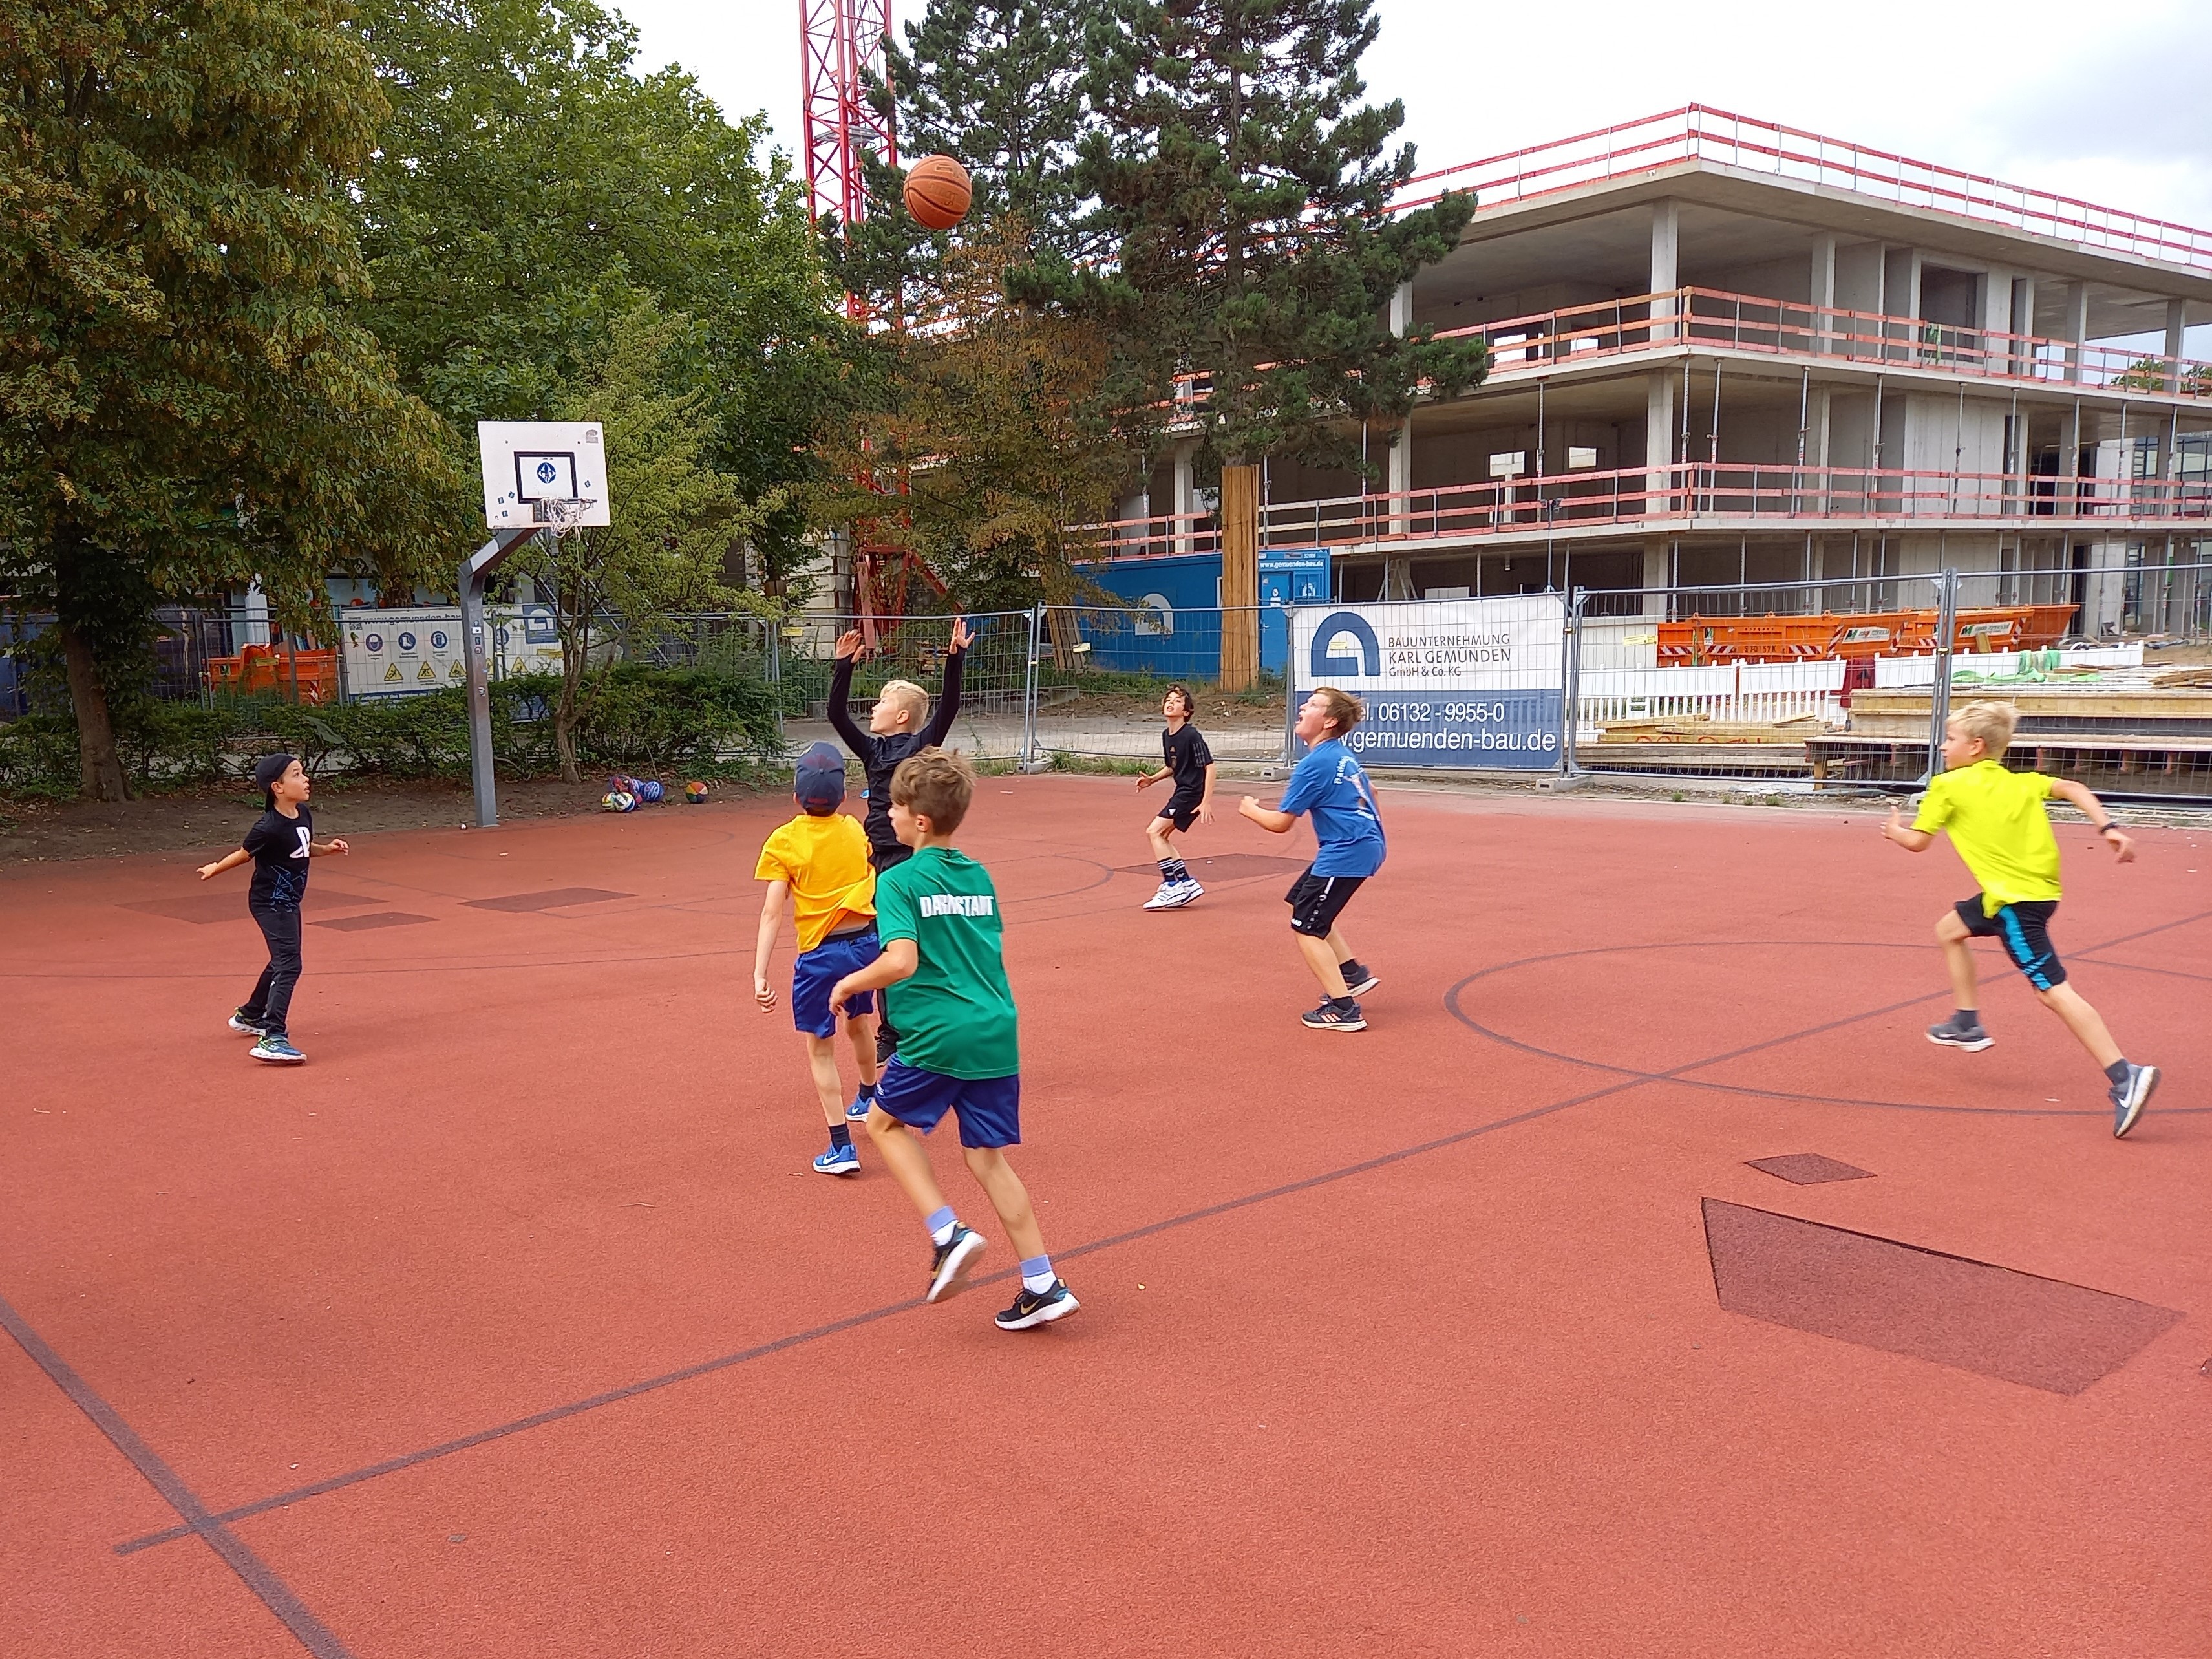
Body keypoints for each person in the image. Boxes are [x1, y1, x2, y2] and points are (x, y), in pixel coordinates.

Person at [828, 748, 1079, 1331]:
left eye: (895, 805)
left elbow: (902, 961)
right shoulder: (979, 874)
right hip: (996, 1028)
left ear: (919, 820)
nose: (887, 813)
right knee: (985, 1157)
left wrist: (850, 982)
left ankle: (947, 1234)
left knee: (884, 1124)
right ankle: (1042, 1282)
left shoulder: (897, 882)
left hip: (942, 1032)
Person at [1882, 700, 2158, 1137]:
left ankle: (2126, 1075)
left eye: (1950, 739)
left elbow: (1918, 842)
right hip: (2033, 894)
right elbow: (2074, 788)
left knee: (2052, 992)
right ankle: (1967, 1022)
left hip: (2015, 905)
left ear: (1974, 746)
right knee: (1949, 930)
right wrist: (2108, 828)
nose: (1942, 746)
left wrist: (1895, 832)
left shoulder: (1948, 786)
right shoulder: (2023, 782)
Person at [826, 617, 973, 1062]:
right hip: (881, 862)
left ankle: (940, 1018)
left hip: (916, 860)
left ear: (903, 716)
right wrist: (842, 667)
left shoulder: (922, 746)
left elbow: (948, 708)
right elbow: (837, 715)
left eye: (882, 703)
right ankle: (893, 1033)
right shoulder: (872, 752)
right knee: (890, 945)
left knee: (918, 945)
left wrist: (955, 658)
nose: (873, 709)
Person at [752, 742, 884, 1176]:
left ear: (796, 797)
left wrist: (759, 974)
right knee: (860, 1022)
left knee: (820, 1050)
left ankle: (841, 1146)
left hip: (820, 955)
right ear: (843, 796)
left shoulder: (785, 841)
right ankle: (868, 1097)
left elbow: (772, 911)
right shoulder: (853, 831)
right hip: (866, 944)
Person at [1239, 687, 1386, 1033]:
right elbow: (1373, 793)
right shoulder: (1339, 754)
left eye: (1314, 705)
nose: (1304, 707)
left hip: (1348, 849)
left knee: (1306, 927)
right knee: (1301, 901)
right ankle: (1351, 972)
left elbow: (1280, 824)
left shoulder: (1314, 764)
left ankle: (1344, 1009)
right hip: (1359, 844)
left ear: (1330, 721)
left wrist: (1250, 809)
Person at [195, 753, 347, 1064]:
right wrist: (215, 868)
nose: (305, 779)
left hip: (289, 900)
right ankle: (273, 1036)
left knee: (283, 960)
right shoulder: (268, 826)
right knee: (290, 964)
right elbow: (243, 854)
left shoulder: (302, 814)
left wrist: (327, 850)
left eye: (303, 773)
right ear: (277, 787)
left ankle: (251, 1015)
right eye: (296, 774)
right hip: (270, 902)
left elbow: (303, 847)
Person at [1135, 683, 1216, 910]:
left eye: (1178, 701)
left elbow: (1210, 767)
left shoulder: (1191, 735)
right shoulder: (1167, 735)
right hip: (1182, 791)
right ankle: (1186, 882)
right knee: (1163, 836)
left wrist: (1206, 801)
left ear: (1187, 712)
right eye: (1168, 699)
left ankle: (1172, 885)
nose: (1171, 703)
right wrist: (1152, 779)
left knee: (1154, 832)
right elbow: (1172, 766)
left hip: (1192, 793)